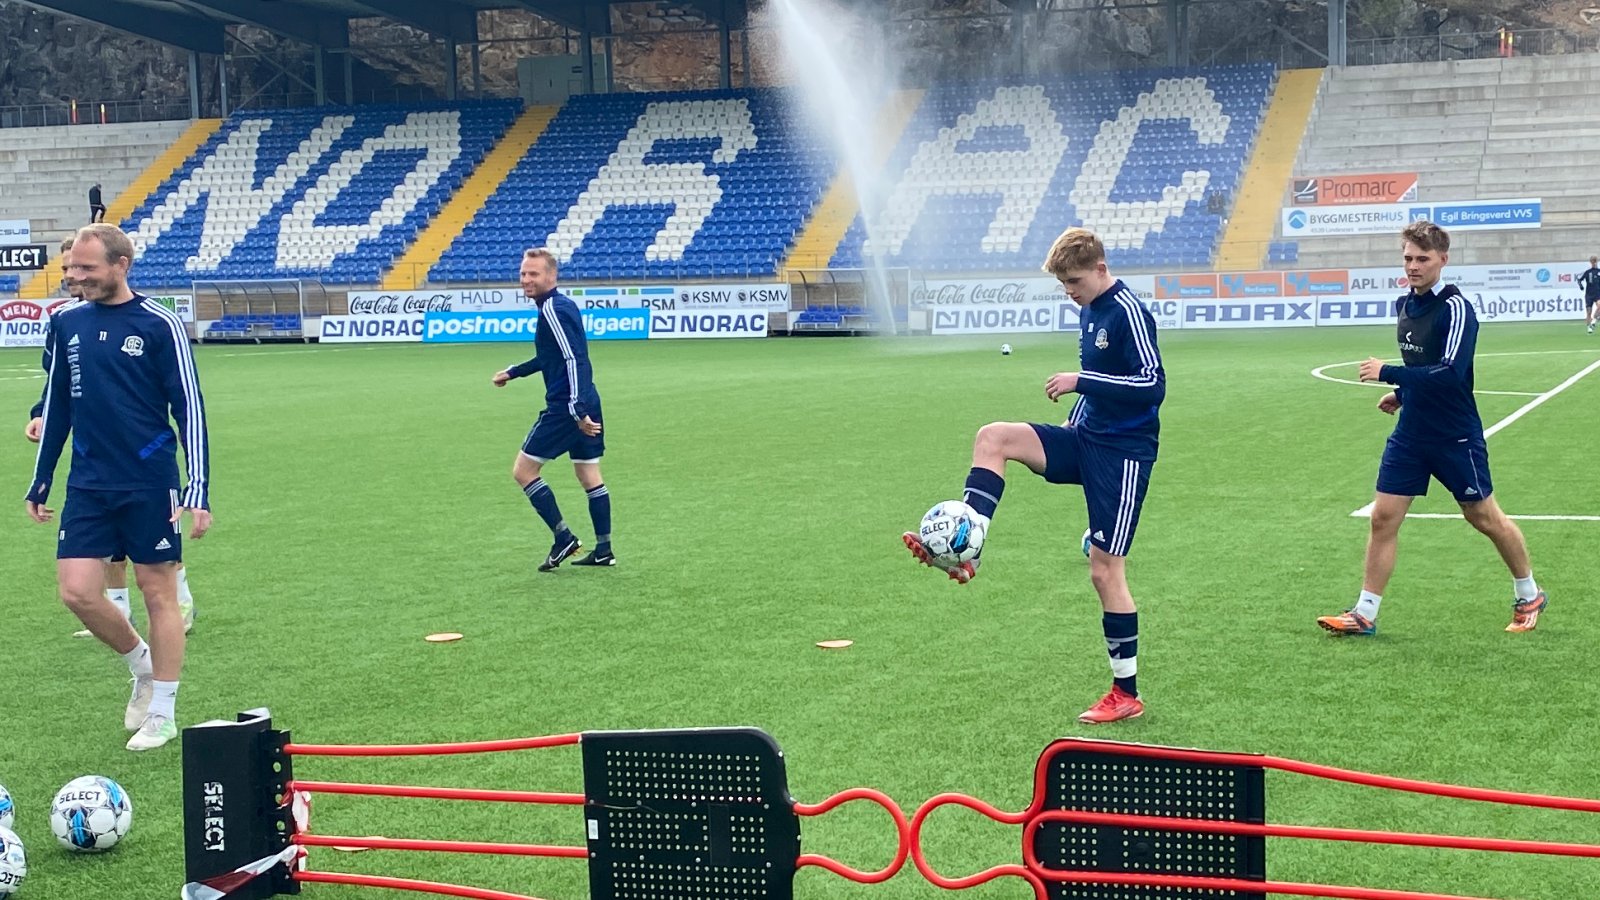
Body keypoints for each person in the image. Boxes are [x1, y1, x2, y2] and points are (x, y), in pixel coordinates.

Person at [901, 227, 1165, 724]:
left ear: (1101, 270)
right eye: (1064, 283)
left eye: (1075, 280)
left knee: (1105, 571)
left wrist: (1079, 381)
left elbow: (1151, 385)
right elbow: (1106, 384)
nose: (1070, 291)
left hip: (1123, 455)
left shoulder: (1129, 311)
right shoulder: (1089, 309)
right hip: (1086, 439)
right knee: (993, 437)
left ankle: (1125, 693)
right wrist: (1080, 412)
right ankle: (968, 544)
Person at [25, 223, 211, 751]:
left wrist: (197, 487)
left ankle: (164, 711)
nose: (74, 278)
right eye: (70, 269)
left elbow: (189, 409)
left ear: (121, 265)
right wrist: (42, 478)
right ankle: (143, 666)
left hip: (150, 481)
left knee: (158, 593)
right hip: (88, 482)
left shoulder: (160, 324)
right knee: (77, 592)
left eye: (86, 269)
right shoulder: (65, 323)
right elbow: (58, 403)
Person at [1319, 220, 1546, 637]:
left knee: (1483, 517)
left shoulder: (1456, 308)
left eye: (1423, 259)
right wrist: (1403, 396)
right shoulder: (1405, 304)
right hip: (1411, 435)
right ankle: (1364, 613)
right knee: (1383, 519)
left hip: (1455, 436)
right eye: (1408, 258)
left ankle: (1529, 592)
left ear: (1443, 259)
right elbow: (1424, 368)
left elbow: (1449, 373)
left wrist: (1390, 373)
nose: (1413, 266)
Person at [492, 248, 614, 571]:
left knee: (523, 471)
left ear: (551, 276)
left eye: (533, 274)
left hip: (567, 408)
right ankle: (604, 549)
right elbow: (553, 357)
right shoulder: (561, 306)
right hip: (587, 399)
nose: (526, 280)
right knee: (588, 473)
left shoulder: (552, 310)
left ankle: (564, 538)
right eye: (523, 274)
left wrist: (576, 410)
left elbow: (575, 359)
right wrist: (514, 372)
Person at [1578, 255, 1600, 334]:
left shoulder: (1599, 271)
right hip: (1589, 295)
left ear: (1596, 262)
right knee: (1589, 311)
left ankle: (1593, 321)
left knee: (1599, 306)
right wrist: (1581, 286)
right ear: (1591, 262)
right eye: (1592, 261)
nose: (1594, 263)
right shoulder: (1588, 272)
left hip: (1597, 293)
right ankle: (1589, 327)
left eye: (1595, 261)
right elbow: (1579, 280)